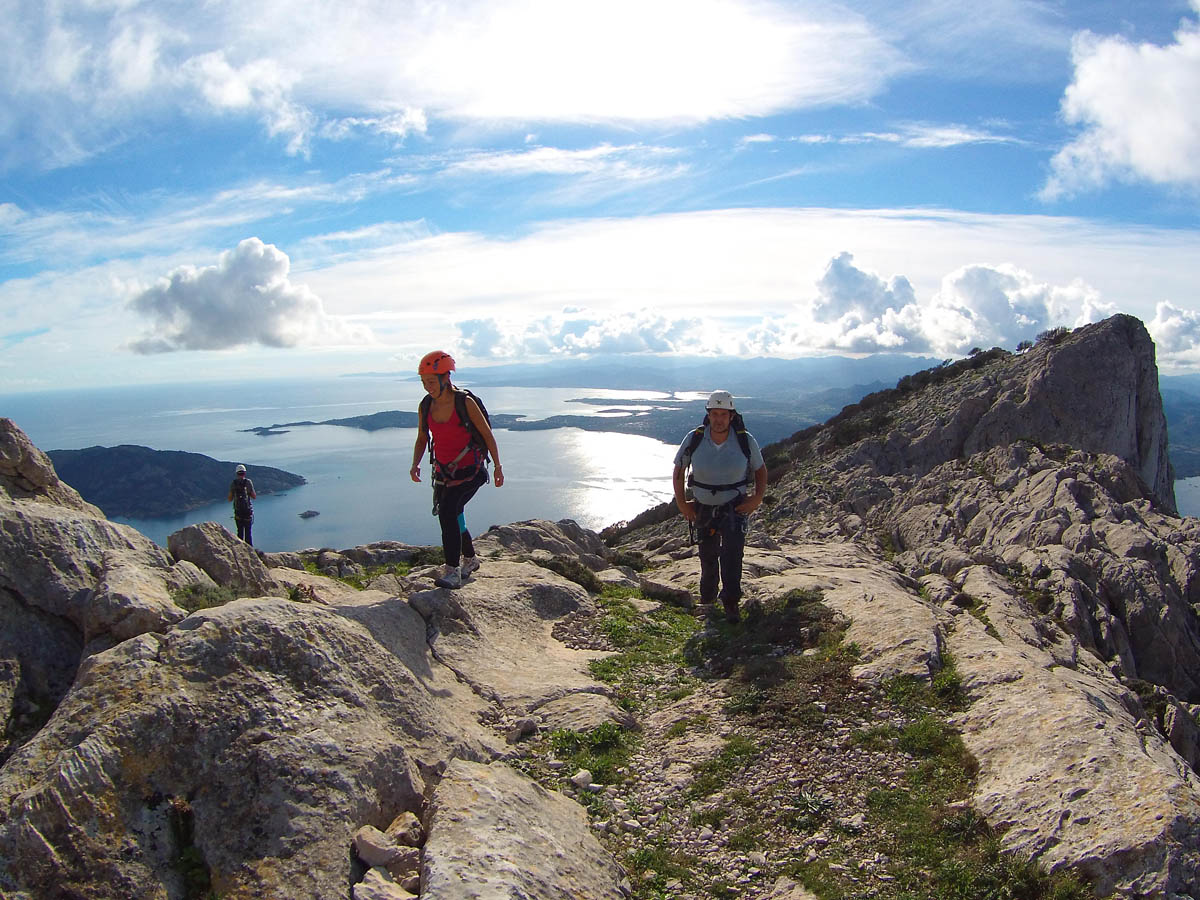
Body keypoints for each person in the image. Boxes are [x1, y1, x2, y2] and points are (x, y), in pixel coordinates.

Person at [410, 351, 504, 589]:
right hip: (444, 474)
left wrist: (498, 467)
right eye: (424, 382)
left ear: (445, 378)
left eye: (431, 381)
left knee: (447, 512)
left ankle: (452, 570)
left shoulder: (465, 402)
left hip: (471, 472)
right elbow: (422, 438)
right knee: (456, 513)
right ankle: (470, 559)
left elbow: (486, 435)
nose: (427, 387)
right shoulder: (426, 405)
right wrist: (415, 463)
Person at [672, 390, 767, 622]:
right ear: (708, 414)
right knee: (707, 554)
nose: (719, 419)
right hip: (703, 505)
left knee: (733, 554)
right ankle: (708, 598)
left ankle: (730, 601)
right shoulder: (695, 438)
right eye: (714, 413)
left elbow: (761, 470)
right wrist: (682, 504)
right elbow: (679, 470)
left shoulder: (745, 439)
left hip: (734, 507)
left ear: (731, 415)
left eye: (723, 414)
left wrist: (756, 499)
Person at [227, 463, 257, 546]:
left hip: (238, 513)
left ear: (236, 473)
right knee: (248, 534)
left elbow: (229, 499)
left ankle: (240, 550)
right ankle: (250, 552)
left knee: (240, 533)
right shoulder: (248, 482)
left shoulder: (233, 483)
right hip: (247, 512)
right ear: (244, 473)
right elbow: (254, 496)